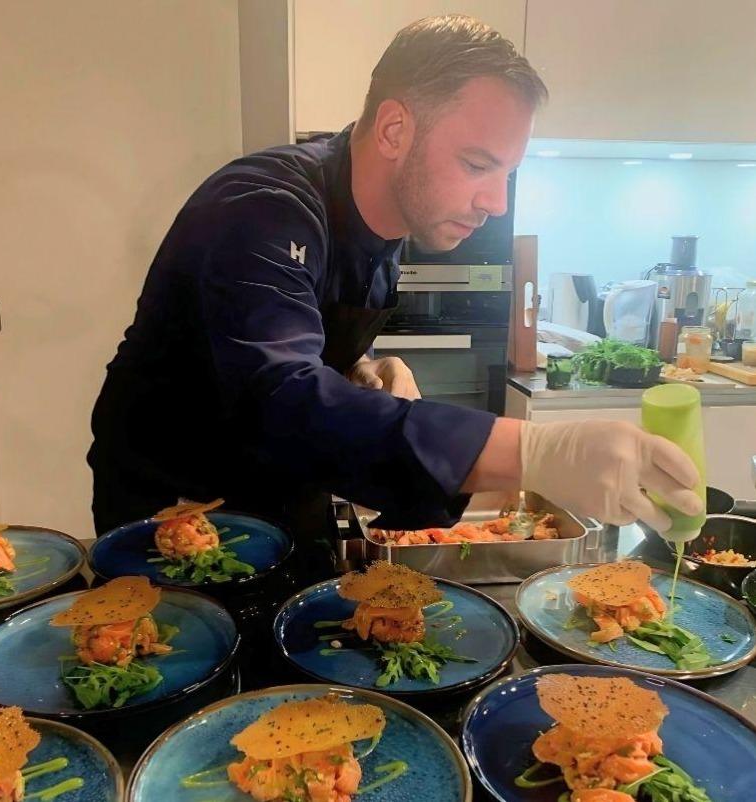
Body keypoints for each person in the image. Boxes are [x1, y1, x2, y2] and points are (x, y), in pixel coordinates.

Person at [88, 14, 701, 555]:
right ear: (393, 130)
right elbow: (279, 400)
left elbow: (312, 326)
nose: (494, 201)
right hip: (174, 507)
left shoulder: (387, 220)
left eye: (507, 174)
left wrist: (363, 364)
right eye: (476, 165)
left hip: (284, 489)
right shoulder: (260, 208)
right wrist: (538, 453)